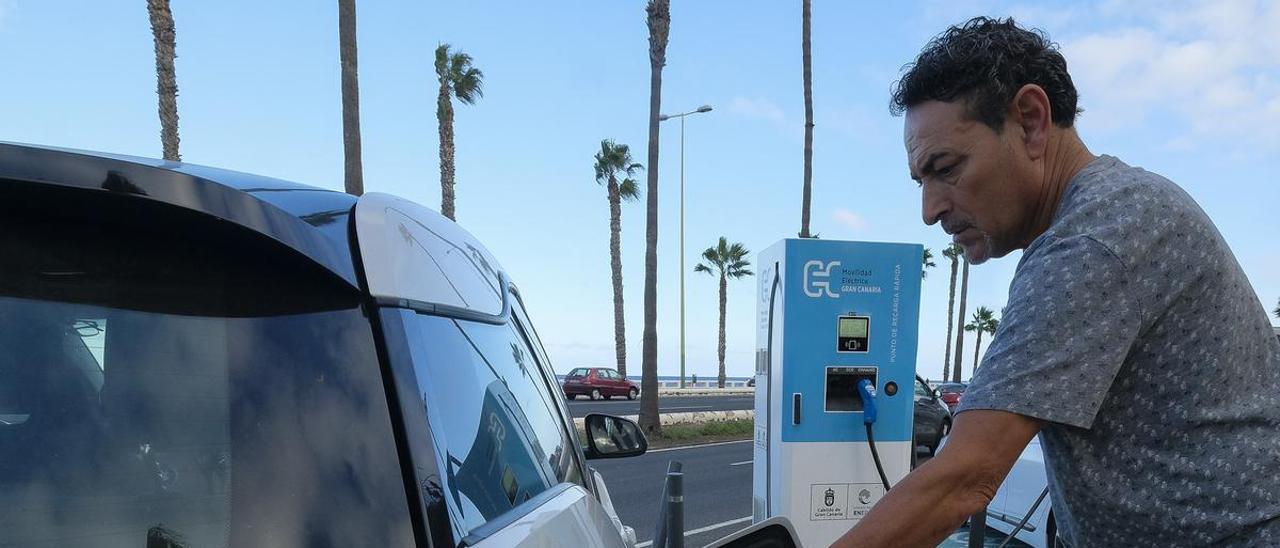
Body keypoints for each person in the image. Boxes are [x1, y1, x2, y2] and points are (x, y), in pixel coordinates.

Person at [834, 16, 1280, 547]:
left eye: (945, 167)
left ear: (1030, 120)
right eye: (921, 180)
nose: (930, 210)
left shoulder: (1095, 239)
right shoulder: (1122, 209)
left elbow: (964, 479)